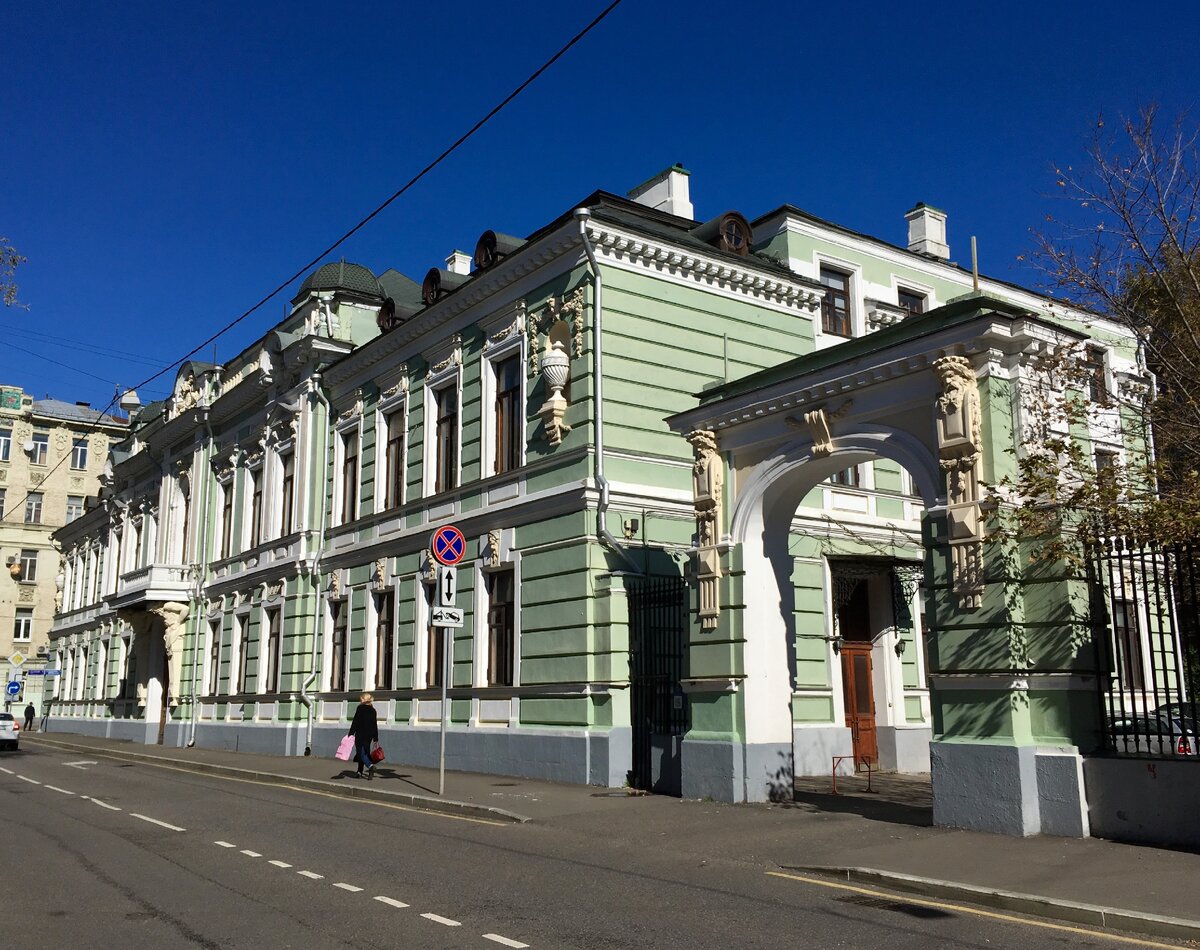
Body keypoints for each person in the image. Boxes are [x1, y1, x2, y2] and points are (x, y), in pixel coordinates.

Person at [347, 692, 379, 780]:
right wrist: (375, 737)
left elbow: (355, 722)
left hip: (360, 734)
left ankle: (370, 766)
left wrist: (351, 733)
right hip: (369, 735)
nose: (360, 700)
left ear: (365, 699)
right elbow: (374, 725)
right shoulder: (373, 710)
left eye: (361, 698)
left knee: (360, 753)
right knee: (364, 753)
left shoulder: (360, 708)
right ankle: (360, 772)